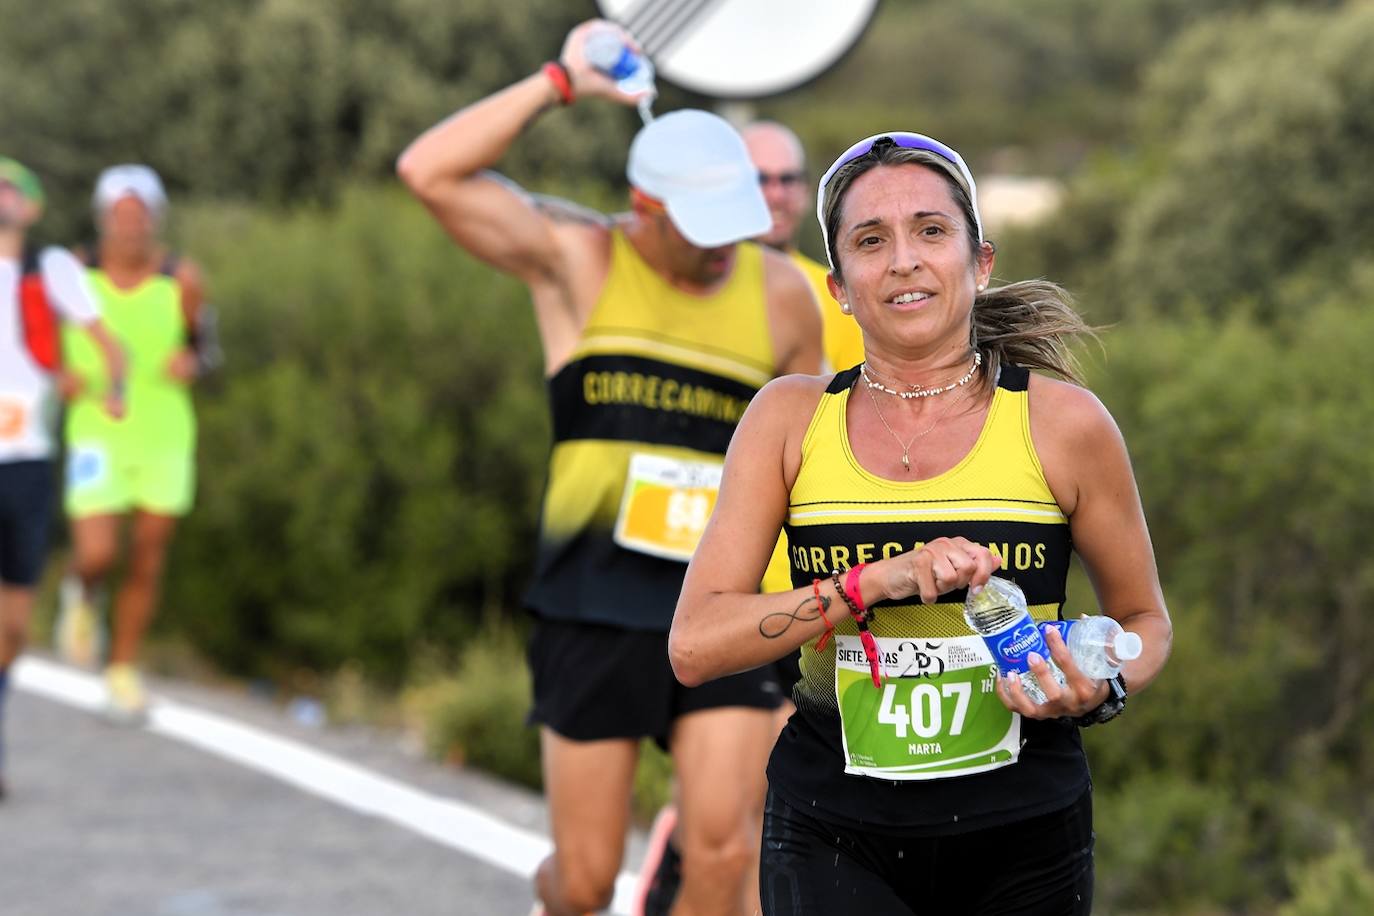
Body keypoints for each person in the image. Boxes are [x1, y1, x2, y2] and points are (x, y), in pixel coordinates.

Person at [670, 132, 1172, 914]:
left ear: (980, 263)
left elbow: (1146, 622)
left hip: (1025, 820)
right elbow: (696, 645)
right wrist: (876, 582)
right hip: (833, 820)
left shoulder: (1065, 424)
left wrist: (1097, 687)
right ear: (838, 287)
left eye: (931, 231)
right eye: (872, 241)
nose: (903, 259)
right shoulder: (788, 420)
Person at [397, 19, 821, 916]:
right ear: (646, 207)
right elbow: (426, 172)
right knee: (584, 881)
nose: (720, 248)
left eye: (733, 226)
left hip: (721, 604)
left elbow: (804, 462)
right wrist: (560, 81)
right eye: (700, 228)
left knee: (722, 848)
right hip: (594, 602)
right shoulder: (578, 258)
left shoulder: (782, 294)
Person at [55, 164, 205, 723]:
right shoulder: (72, 274)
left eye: (139, 217)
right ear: (101, 221)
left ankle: (122, 669)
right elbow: (34, 336)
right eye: (119, 217)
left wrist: (191, 362)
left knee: (146, 554)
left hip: (164, 431)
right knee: (99, 550)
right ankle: (82, 591)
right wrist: (58, 377)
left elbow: (205, 347)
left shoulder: (182, 279)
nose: (129, 228)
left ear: (155, 221)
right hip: (96, 426)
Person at [0, 156, 125, 796]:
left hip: (25, 456)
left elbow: (107, 341)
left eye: (10, 189)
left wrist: (112, 388)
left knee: (13, 623)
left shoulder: (49, 270)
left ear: (34, 207)